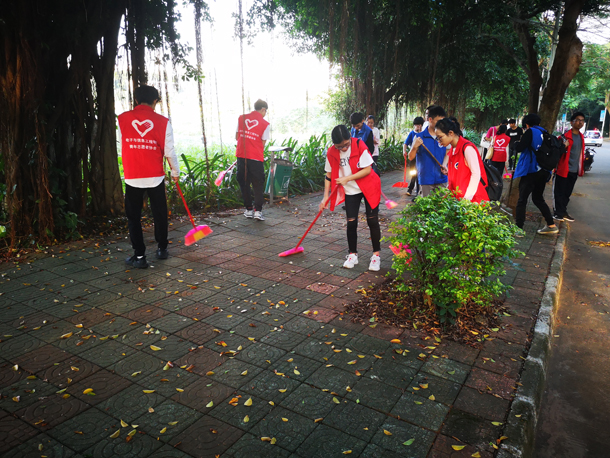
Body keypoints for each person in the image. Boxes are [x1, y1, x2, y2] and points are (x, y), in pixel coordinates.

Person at [118, 85, 180, 269]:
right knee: (159, 213)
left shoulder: (122, 119)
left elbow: (121, 146)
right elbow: (170, 151)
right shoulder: (163, 122)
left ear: (136, 100)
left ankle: (139, 256)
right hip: (155, 177)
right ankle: (162, 249)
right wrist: (175, 172)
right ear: (155, 101)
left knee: (134, 218)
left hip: (133, 176)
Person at [320, 125, 382, 271]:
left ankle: (376, 256)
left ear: (350, 137)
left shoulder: (359, 145)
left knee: (372, 220)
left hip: (369, 186)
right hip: (351, 190)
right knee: (351, 222)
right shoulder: (331, 152)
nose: (343, 148)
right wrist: (325, 197)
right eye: (339, 146)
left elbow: (367, 170)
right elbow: (328, 176)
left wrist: (347, 178)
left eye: (346, 144)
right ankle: (352, 254)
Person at [513, 114, 558, 234]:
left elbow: (520, 148)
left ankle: (518, 229)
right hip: (544, 171)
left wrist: (516, 144)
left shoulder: (530, 132)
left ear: (527, 124)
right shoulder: (545, 132)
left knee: (522, 200)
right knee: (538, 198)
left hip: (531, 170)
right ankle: (551, 225)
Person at [435, 118, 489, 203]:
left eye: (440, 137)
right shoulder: (452, 150)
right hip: (460, 199)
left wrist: (466, 200)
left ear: (451, 133)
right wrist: (450, 172)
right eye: (437, 138)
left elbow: (476, 174)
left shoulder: (467, 148)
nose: (439, 141)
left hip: (473, 200)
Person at [236, 99, 271, 221]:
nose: (265, 114)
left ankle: (249, 209)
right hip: (256, 158)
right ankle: (258, 212)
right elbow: (263, 143)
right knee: (257, 184)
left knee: (244, 183)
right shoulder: (265, 124)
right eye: (265, 111)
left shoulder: (241, 118)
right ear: (263, 109)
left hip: (242, 156)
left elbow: (237, 136)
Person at [409, 105, 448, 197]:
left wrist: (444, 164)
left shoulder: (445, 136)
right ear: (430, 120)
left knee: (442, 205)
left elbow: (448, 152)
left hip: (442, 178)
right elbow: (410, 157)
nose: (441, 124)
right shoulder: (419, 137)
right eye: (438, 121)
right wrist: (414, 147)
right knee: (426, 205)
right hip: (425, 180)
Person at [553, 112, 585, 222]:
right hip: (563, 169)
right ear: (572, 122)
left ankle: (563, 212)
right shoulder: (564, 137)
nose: (580, 122)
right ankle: (557, 213)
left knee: (567, 193)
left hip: (574, 170)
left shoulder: (581, 137)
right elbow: (556, 152)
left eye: (582, 120)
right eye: (578, 120)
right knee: (559, 192)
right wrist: (563, 146)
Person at [403, 116, 425, 197]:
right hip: (413, 157)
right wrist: (404, 151)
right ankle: (412, 188)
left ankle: (415, 190)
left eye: (419, 125)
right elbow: (405, 143)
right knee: (413, 173)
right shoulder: (412, 133)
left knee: (419, 174)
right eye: (416, 125)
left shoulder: (424, 134)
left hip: (421, 157)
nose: (417, 127)